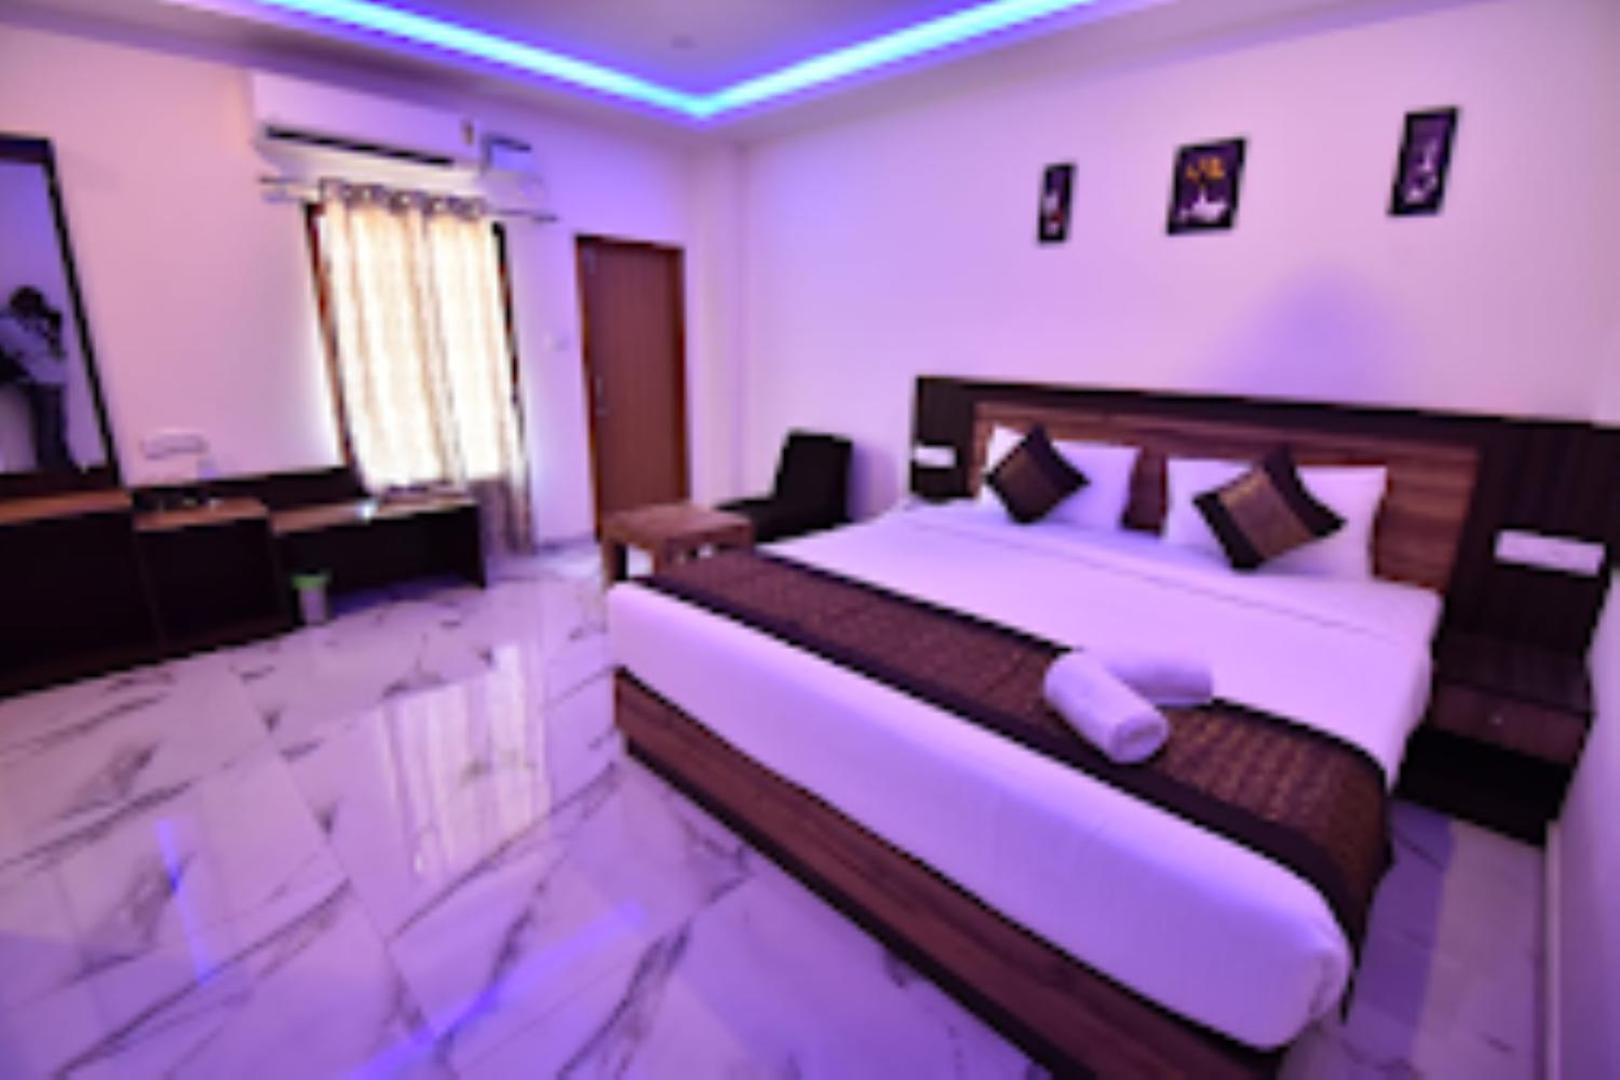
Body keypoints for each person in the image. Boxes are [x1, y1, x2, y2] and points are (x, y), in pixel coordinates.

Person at [0, 285, 75, 472]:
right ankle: (50, 468)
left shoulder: (38, 321)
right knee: (47, 427)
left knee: (58, 426)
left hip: (53, 377)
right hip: (36, 378)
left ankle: (62, 465)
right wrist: (44, 338)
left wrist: (51, 327)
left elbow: (55, 348)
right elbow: (28, 348)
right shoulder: (7, 322)